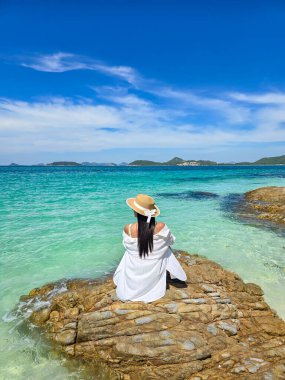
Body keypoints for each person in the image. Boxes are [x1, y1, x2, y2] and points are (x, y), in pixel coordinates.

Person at [113, 194, 187, 302]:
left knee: (130, 252)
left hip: (133, 270)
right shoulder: (161, 227)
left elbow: (126, 246)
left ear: (136, 212)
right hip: (153, 268)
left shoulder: (128, 228)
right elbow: (171, 241)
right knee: (166, 247)